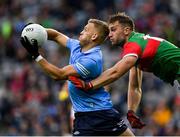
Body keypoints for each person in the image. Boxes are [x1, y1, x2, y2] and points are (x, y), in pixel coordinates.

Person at [20, 19, 138, 136]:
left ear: (94, 36)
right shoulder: (76, 46)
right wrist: (38, 30)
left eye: (86, 30)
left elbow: (59, 74)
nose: (81, 32)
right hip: (83, 116)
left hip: (101, 113)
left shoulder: (92, 60)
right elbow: (56, 35)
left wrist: (36, 55)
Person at [69, 12, 180, 126]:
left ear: (126, 31)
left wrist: (89, 85)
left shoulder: (133, 44)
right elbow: (135, 86)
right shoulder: (137, 48)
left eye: (113, 30)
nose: (109, 35)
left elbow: (116, 72)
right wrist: (131, 111)